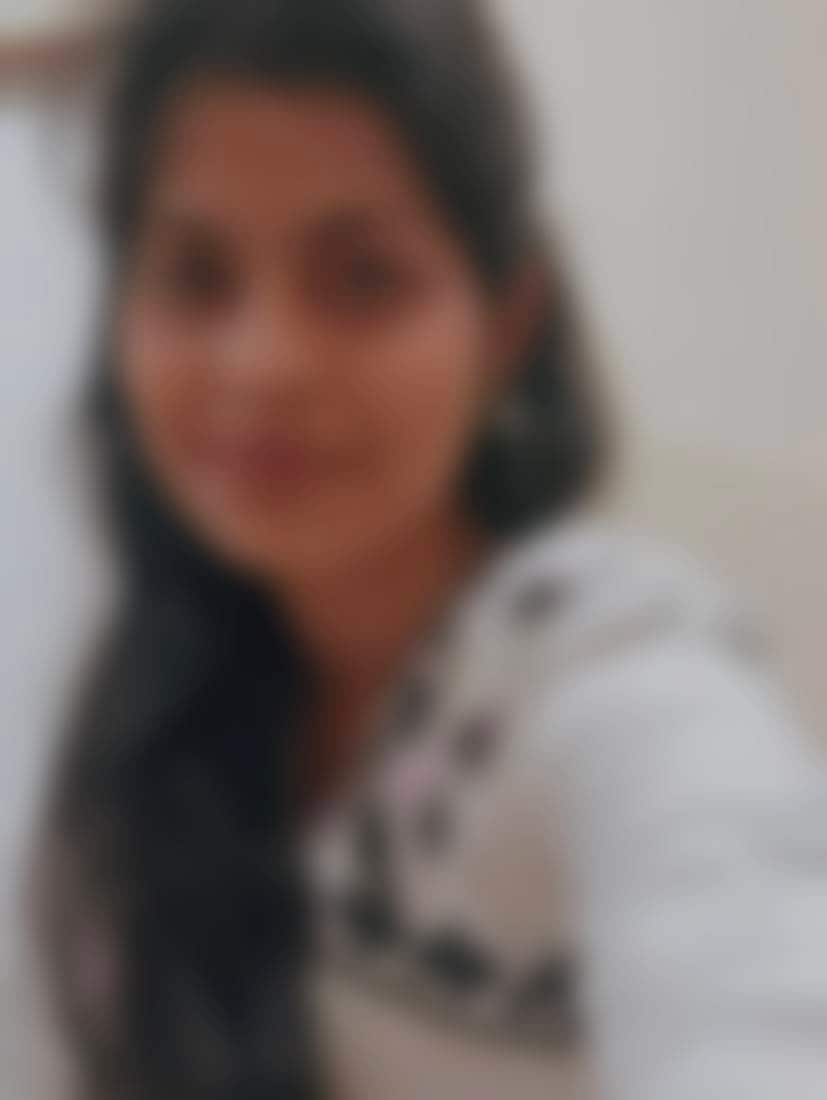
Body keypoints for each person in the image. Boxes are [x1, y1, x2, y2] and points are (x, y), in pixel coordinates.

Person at [30, 1, 827, 1098]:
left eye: (362, 279)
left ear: (506, 322)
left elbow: (748, 988)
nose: (263, 361)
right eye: (197, 275)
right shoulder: (175, 678)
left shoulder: (611, 671)